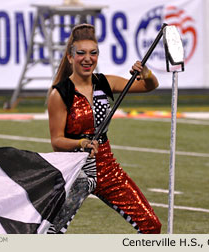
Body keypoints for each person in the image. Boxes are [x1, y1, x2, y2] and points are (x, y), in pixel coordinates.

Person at [47, 24, 162, 234]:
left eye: (93, 53)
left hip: (106, 167)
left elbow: (149, 86)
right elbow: (57, 141)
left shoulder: (105, 83)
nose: (87, 58)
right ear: (71, 58)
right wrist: (81, 143)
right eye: (81, 53)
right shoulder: (59, 94)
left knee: (151, 225)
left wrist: (146, 73)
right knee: (50, 232)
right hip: (75, 171)